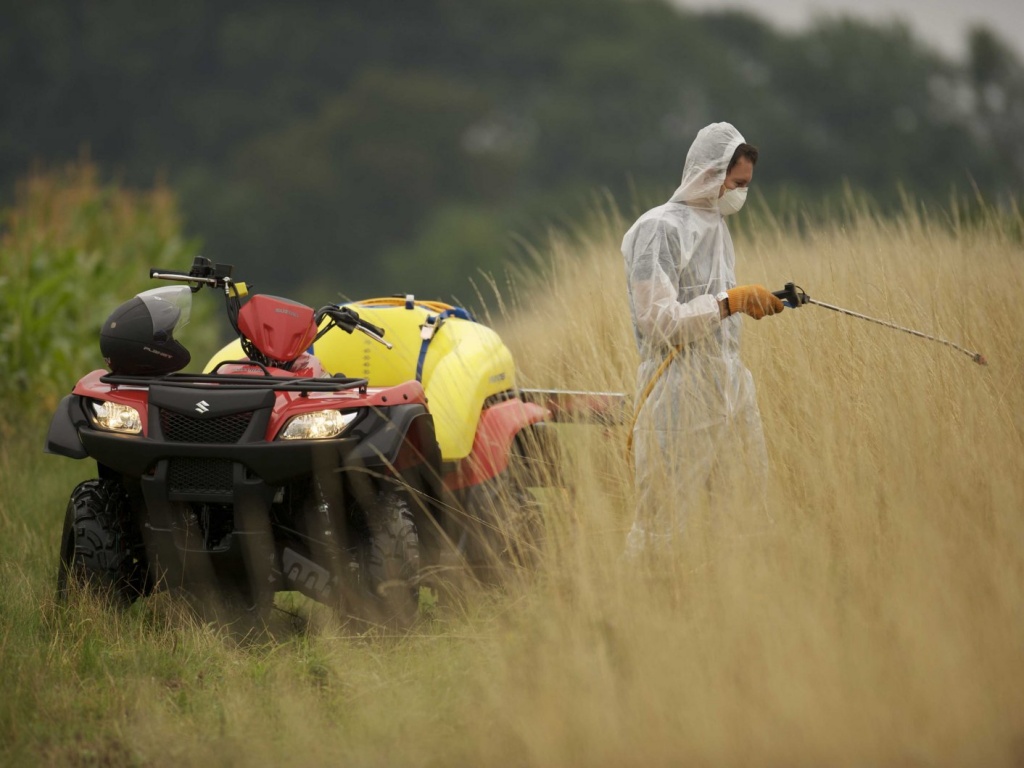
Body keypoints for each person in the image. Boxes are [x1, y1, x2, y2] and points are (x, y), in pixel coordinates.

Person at [622, 121, 784, 554]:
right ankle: (647, 591)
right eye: (737, 183)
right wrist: (730, 302)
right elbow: (657, 320)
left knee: (742, 513)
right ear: (711, 173)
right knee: (664, 520)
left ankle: (727, 593)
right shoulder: (658, 229)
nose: (741, 194)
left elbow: (716, 306)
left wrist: (749, 302)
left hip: (728, 387)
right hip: (676, 390)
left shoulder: (716, 228)